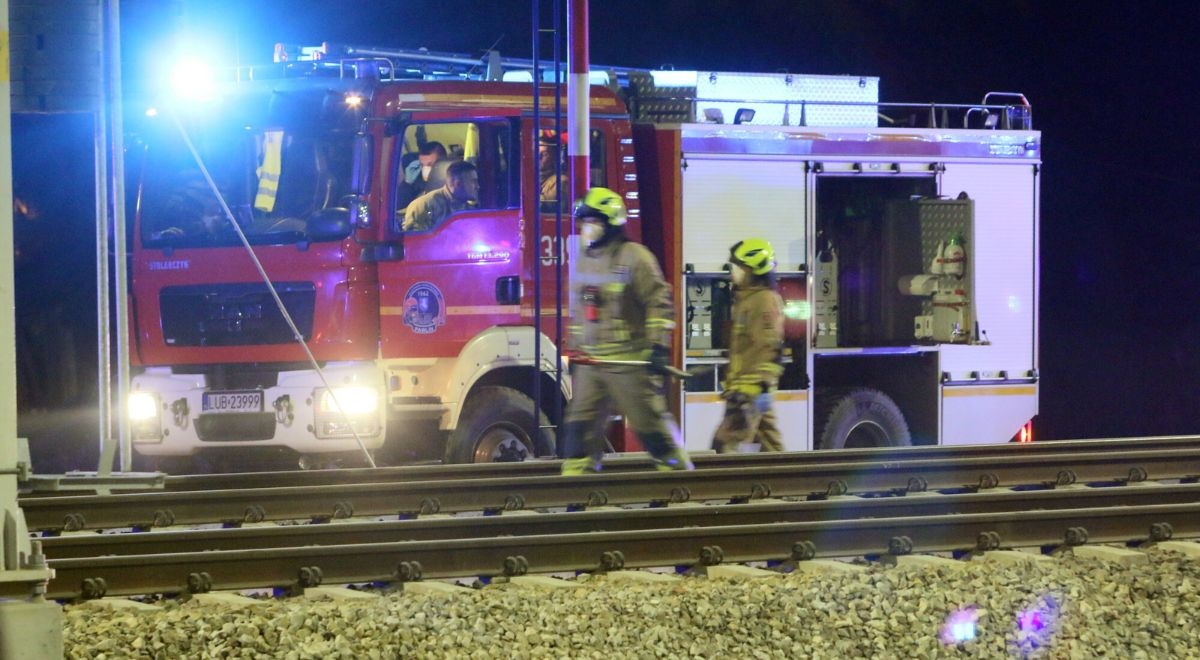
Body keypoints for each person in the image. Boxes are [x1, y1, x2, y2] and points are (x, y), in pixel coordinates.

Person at [560, 186, 693, 475]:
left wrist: (659, 347)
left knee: (650, 427)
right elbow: (579, 309)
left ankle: (680, 482)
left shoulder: (636, 258)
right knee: (578, 429)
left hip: (628, 361)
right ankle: (575, 495)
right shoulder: (583, 258)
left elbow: (660, 306)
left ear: (610, 223)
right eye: (584, 221)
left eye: (593, 221)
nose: (587, 228)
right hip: (590, 362)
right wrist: (573, 349)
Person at [711, 238, 786, 453]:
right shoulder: (748, 299)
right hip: (749, 390)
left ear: (753, 270)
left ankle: (723, 487)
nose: (733, 272)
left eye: (739, 267)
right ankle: (790, 482)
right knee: (770, 444)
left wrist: (753, 388)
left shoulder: (763, 301)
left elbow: (769, 347)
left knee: (726, 445)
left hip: (751, 391)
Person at [402, 160, 479, 232]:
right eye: (473, 182)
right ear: (456, 183)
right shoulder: (424, 206)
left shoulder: (470, 209)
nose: (477, 186)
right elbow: (416, 242)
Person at [538, 133, 568, 210]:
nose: (538, 157)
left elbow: (542, 206)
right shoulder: (525, 178)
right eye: (536, 152)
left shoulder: (561, 181)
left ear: (553, 157)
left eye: (544, 154)